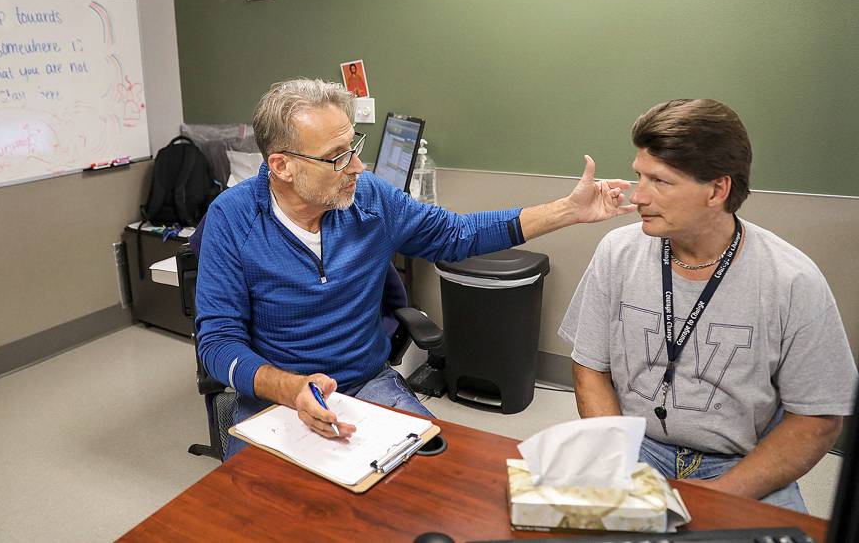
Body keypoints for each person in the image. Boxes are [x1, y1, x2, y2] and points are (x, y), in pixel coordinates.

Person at [195, 78, 633, 458]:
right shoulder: (232, 219)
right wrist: (289, 389)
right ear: (281, 166)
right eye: (337, 157)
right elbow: (217, 344)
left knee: (432, 483)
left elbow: (459, 234)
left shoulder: (370, 199)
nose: (357, 167)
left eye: (354, 148)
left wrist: (565, 211)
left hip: (366, 384)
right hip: (278, 398)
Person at [559, 99, 857, 513]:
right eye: (638, 176)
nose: (638, 196)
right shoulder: (617, 252)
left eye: (660, 182)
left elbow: (819, 420)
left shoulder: (792, 280)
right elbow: (590, 367)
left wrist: (713, 500)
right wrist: (618, 462)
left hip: (741, 464)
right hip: (636, 447)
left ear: (717, 189)